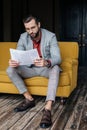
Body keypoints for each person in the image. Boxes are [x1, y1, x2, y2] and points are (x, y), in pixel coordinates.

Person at [6, 15, 61, 128]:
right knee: (10, 69)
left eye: (33, 28)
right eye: (27, 29)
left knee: (55, 68)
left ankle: (47, 109)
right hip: (29, 69)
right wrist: (15, 61)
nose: (30, 31)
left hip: (45, 69)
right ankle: (29, 99)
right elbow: (19, 54)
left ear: (39, 25)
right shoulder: (23, 37)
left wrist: (46, 62)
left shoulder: (51, 36)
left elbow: (58, 58)